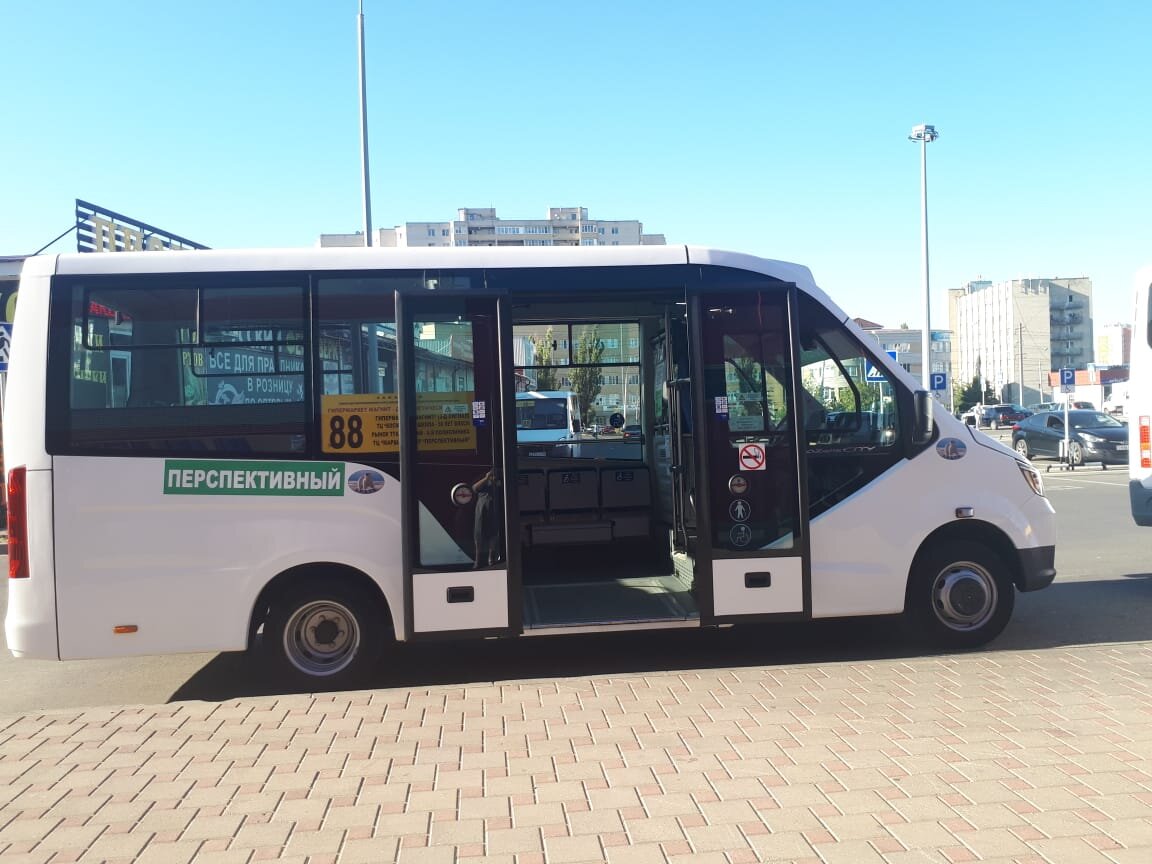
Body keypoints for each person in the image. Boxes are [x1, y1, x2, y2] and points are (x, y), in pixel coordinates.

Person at [472, 468, 504, 568]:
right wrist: (486, 478)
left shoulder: (499, 481)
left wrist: (496, 481)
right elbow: (474, 488)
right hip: (482, 510)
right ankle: (477, 559)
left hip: (494, 509)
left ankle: (491, 557)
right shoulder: (484, 480)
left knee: (493, 533)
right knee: (479, 534)